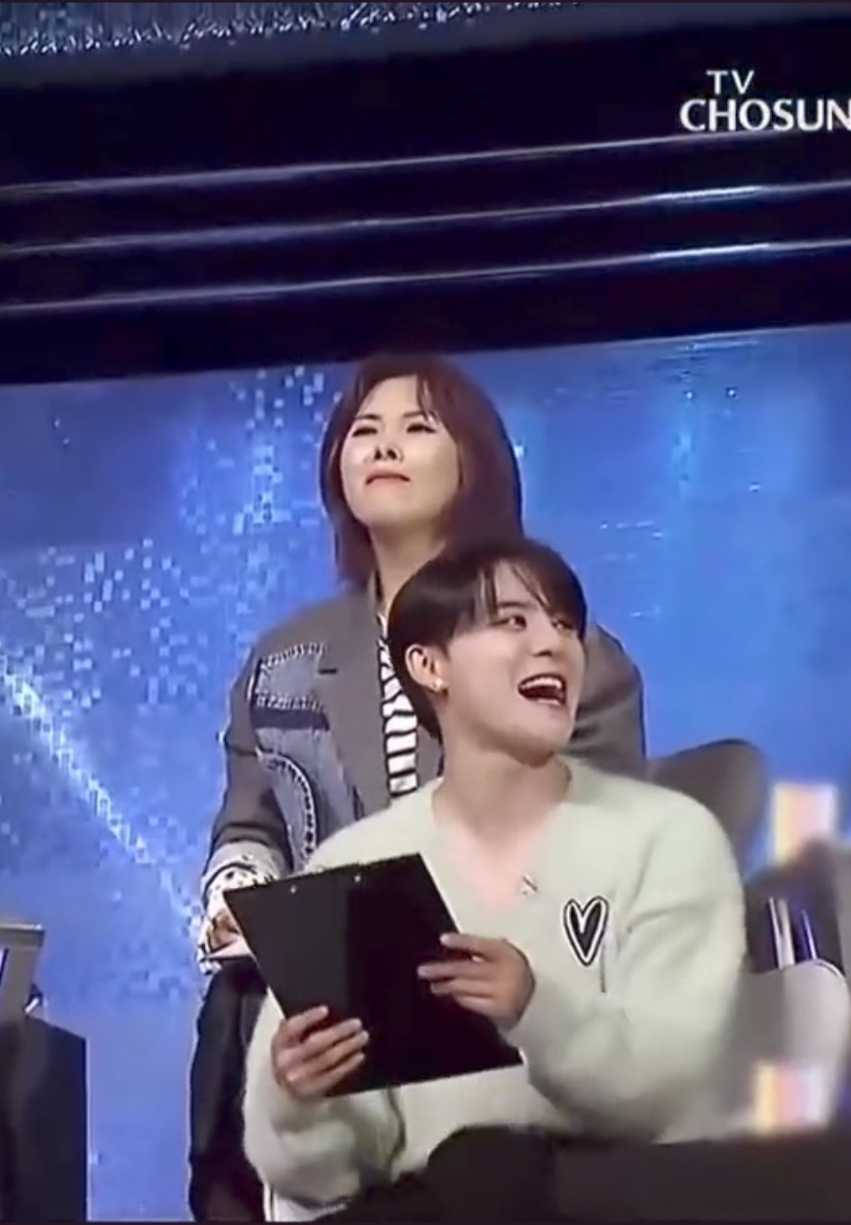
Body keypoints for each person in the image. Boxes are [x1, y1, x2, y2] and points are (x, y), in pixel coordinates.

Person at [189, 353, 647, 1220]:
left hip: (499, 980)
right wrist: (240, 895)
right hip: (338, 995)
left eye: (416, 427)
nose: (383, 445)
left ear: (475, 463)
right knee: (238, 1006)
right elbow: (252, 818)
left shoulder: (561, 653)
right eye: (363, 430)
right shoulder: (283, 664)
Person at [242, 537, 745, 1219]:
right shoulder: (354, 866)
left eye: (564, 625)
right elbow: (325, 1177)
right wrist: (299, 1099)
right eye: (512, 621)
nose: (553, 645)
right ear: (429, 666)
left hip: (622, 1195)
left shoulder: (668, 838)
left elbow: (667, 1087)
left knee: (492, 1167)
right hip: (431, 1201)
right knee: (470, 1173)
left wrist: (534, 1009)